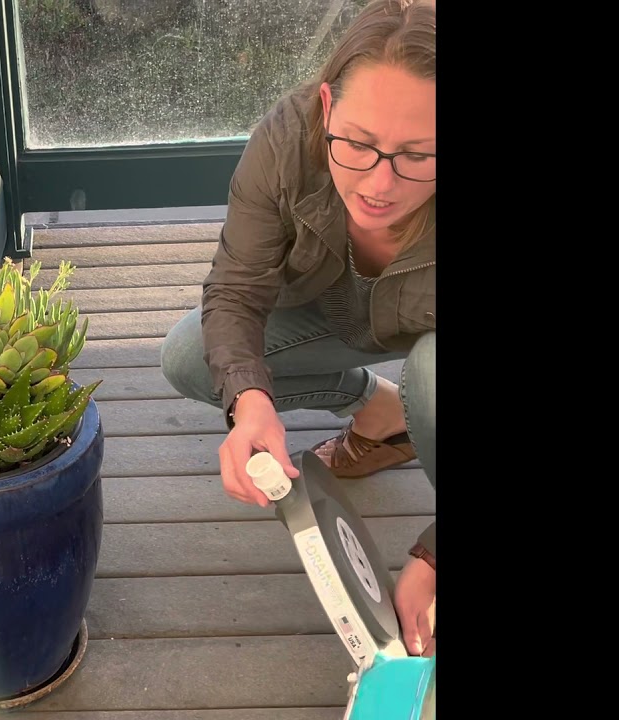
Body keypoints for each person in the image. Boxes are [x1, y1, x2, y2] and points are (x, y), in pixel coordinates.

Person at [159, 0, 436, 656]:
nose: (380, 182)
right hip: (331, 313)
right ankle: (378, 410)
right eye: (358, 144)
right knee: (194, 356)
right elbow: (235, 289)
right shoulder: (286, 139)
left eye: (418, 154)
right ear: (326, 107)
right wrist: (251, 404)